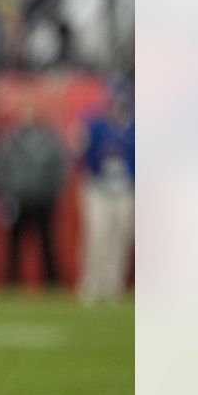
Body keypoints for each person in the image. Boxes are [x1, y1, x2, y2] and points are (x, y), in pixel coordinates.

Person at [0, 93, 68, 286]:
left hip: (42, 199)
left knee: (47, 245)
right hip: (17, 199)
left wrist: (53, 191)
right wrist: (2, 194)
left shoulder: (47, 138)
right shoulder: (9, 138)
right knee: (13, 247)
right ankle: (11, 284)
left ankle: (52, 285)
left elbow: (59, 166)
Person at [77, 84, 134, 304]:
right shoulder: (96, 125)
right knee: (96, 236)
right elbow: (81, 152)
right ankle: (91, 283)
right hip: (98, 186)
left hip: (125, 188)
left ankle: (113, 285)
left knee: (119, 237)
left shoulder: (134, 127)